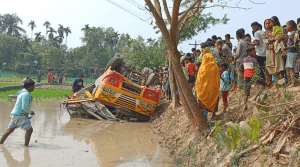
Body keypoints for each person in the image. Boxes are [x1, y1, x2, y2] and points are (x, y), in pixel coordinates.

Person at [0, 79, 35, 147]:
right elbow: (24, 107)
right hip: (20, 115)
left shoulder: (22, 93)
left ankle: (0, 143)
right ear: (29, 86)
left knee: (9, 130)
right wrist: (31, 112)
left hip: (14, 114)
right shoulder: (26, 94)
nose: (34, 87)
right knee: (29, 130)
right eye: (33, 86)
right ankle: (26, 146)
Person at [195, 53, 220, 120]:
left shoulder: (202, 68)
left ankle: (204, 118)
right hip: (213, 89)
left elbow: (199, 80)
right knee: (214, 101)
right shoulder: (215, 67)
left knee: (203, 104)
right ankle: (213, 115)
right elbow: (217, 78)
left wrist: (197, 88)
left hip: (203, 91)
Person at [263, 19, 285, 88]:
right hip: (269, 50)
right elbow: (264, 40)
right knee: (268, 66)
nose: (268, 24)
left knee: (277, 65)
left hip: (277, 50)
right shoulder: (265, 33)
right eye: (266, 23)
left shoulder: (277, 30)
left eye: (269, 23)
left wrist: (280, 38)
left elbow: (284, 37)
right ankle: (268, 83)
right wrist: (272, 39)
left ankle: (277, 81)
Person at [282, 20, 299, 87]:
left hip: (292, 52)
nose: (285, 27)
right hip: (290, 52)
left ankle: (293, 83)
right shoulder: (291, 34)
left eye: (287, 26)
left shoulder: (293, 34)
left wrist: (286, 48)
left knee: (291, 68)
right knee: (288, 67)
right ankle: (292, 82)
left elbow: (295, 45)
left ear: (291, 26)